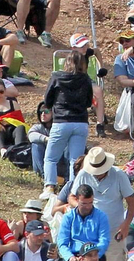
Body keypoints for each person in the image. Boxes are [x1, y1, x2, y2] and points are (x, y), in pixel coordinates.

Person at [40, 50, 95, 194]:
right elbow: (89, 102)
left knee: (51, 158)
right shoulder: (86, 79)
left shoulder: (57, 77)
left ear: (66, 62)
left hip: (61, 121)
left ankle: (49, 187)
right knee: (75, 160)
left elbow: (47, 100)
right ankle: (73, 189)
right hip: (81, 122)